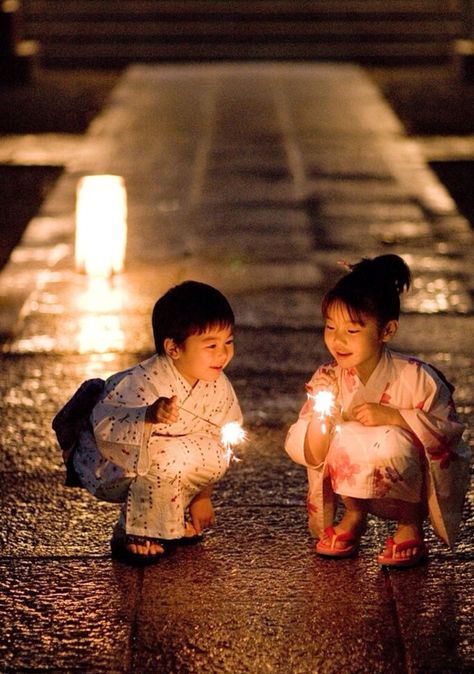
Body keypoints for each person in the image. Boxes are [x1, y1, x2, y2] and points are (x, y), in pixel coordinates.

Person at [285, 254, 470, 567]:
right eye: (331, 327)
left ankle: (409, 523)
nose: (338, 340)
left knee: (395, 439)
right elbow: (311, 453)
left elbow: (448, 436)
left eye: (353, 331)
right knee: (329, 434)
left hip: (406, 487)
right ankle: (354, 512)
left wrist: (397, 417)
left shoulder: (417, 378)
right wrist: (322, 421)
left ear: (387, 331)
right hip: (354, 482)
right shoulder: (328, 379)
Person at [53, 281, 243, 563]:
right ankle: (134, 531)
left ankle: (174, 516)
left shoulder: (218, 385)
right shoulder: (140, 382)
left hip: (168, 464)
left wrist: (202, 497)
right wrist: (148, 416)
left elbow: (223, 435)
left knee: (216, 453)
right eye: (211, 345)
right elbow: (104, 425)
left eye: (228, 342)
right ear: (174, 348)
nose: (223, 353)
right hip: (112, 466)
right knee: (163, 454)